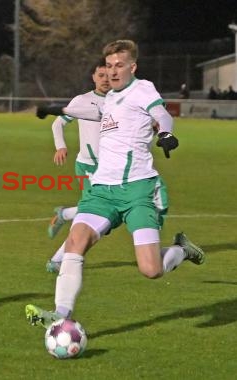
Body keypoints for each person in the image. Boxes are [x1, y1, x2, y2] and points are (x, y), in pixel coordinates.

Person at [26, 39, 205, 327]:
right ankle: (60, 314)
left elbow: (161, 114)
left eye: (118, 65)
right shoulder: (110, 98)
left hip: (138, 190)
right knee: (76, 241)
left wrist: (166, 135)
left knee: (151, 269)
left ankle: (183, 249)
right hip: (101, 190)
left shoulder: (142, 89)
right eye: (108, 66)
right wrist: (57, 109)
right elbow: (96, 112)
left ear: (132, 67)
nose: (112, 71)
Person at [39, 58, 111, 272]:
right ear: (93, 77)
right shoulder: (82, 100)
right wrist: (60, 146)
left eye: (109, 75)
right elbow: (58, 123)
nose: (105, 80)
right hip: (88, 167)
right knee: (97, 216)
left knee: (103, 218)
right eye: (101, 76)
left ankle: (64, 214)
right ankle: (57, 260)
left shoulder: (119, 101)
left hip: (112, 169)